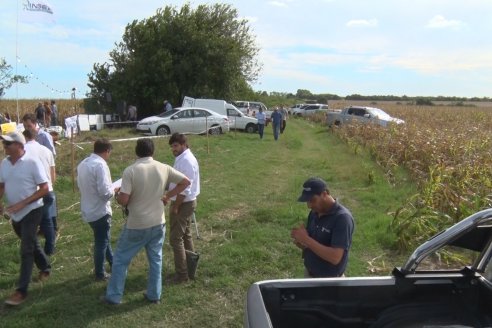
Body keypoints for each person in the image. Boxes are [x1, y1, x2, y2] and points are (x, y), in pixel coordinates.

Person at [104, 138, 190, 305]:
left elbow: (124, 200)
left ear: (137, 152)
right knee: (156, 260)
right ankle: (154, 295)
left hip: (136, 224)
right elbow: (186, 182)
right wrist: (167, 196)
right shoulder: (163, 167)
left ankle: (114, 296)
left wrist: (117, 195)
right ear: (153, 152)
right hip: (158, 222)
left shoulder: (131, 171)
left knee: (121, 259)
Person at [0, 131, 51, 306]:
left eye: (8, 143)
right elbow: (2, 185)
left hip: (32, 210)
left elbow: (44, 188)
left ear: (20, 146)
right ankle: (45, 267)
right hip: (16, 214)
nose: (4, 146)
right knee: (31, 243)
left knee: (26, 249)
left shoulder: (32, 162)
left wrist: (23, 203)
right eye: (4, 143)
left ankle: (21, 291)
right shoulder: (4, 164)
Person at [291, 177, 355, 278]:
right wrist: (302, 243)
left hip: (329, 282)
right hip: (310, 274)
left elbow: (335, 257)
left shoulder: (342, 218)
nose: (309, 205)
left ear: (324, 194)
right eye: (307, 201)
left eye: (312, 200)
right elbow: (315, 244)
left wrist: (306, 240)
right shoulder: (314, 213)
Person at [77, 138, 115, 281]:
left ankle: (113, 262)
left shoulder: (83, 164)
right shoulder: (100, 165)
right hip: (100, 210)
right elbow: (105, 193)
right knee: (101, 241)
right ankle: (100, 273)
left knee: (104, 238)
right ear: (106, 151)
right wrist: (115, 190)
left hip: (88, 208)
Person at [168, 133, 200, 283]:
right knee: (186, 235)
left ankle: (182, 275)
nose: (173, 149)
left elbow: (186, 188)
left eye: (175, 146)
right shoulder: (182, 158)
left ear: (183, 144)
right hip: (185, 202)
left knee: (176, 238)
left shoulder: (186, 160)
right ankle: (190, 267)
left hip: (184, 203)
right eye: (172, 146)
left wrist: (176, 205)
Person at [23, 129, 57, 256]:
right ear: (35, 137)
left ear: (24, 137)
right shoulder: (46, 151)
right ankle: (49, 248)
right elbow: (53, 173)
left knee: (30, 221)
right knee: (47, 219)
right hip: (47, 190)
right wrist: (50, 185)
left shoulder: (23, 151)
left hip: (32, 191)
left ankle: (32, 250)